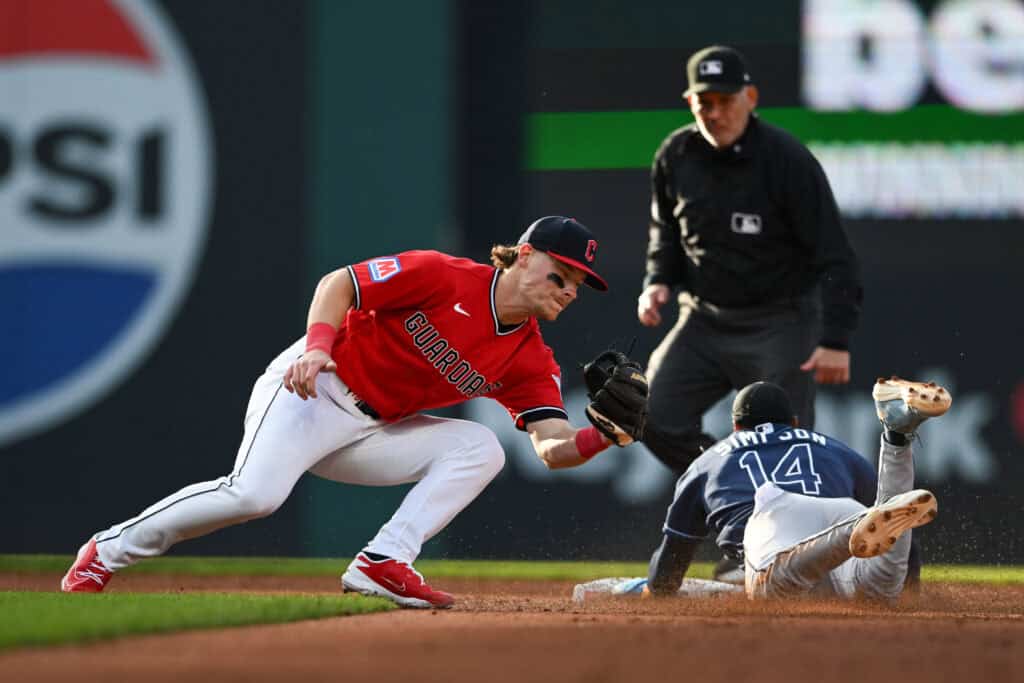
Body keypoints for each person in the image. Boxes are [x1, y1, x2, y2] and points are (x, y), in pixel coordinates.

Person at [61, 216, 647, 609]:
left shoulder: (529, 358)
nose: (567, 290)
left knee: (482, 448)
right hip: (312, 390)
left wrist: (603, 436)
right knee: (253, 496)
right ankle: (104, 553)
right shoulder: (445, 276)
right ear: (523, 256)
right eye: (561, 273)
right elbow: (339, 284)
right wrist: (317, 347)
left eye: (576, 286)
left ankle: (383, 561)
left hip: (375, 429)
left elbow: (551, 447)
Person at [636, 44, 863, 476]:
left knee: (784, 445)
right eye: (705, 102)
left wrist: (835, 338)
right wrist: (657, 279)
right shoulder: (675, 154)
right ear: (690, 102)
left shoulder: (786, 160)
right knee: (650, 413)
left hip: (778, 322)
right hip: (703, 319)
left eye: (726, 101)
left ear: (751, 98)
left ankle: (798, 535)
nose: (716, 113)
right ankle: (730, 490)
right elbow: (665, 230)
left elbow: (836, 256)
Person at [640, 376, 948, 601]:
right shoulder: (836, 449)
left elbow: (671, 565)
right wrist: (908, 594)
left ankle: (845, 534)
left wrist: (655, 589)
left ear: (735, 427)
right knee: (879, 591)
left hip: (775, 518)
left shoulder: (707, 461)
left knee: (771, 590)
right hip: (845, 512)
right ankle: (896, 441)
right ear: (795, 422)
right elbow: (896, 524)